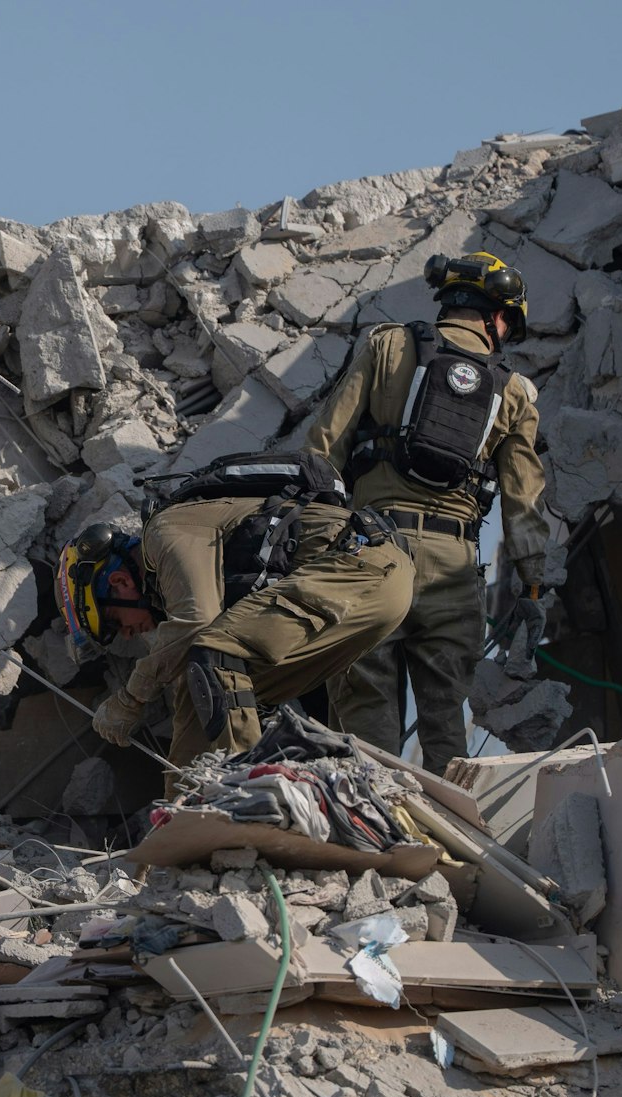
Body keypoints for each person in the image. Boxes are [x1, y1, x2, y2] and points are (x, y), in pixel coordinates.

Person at [303, 251, 552, 780]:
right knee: (445, 724)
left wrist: (320, 541)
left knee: (366, 709)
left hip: (373, 552)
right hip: (454, 567)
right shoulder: (515, 392)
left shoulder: (387, 344)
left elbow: (324, 447)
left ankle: (374, 834)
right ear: (496, 315)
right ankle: (447, 841)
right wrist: (532, 587)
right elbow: (523, 501)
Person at [54, 459, 415, 772]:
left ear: (119, 582)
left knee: (216, 654)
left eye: (116, 624)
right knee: (205, 690)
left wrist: (130, 699)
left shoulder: (166, 532)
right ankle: (188, 812)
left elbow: (198, 623)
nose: (128, 636)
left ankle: (239, 794)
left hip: (361, 567)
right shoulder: (167, 574)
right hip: (370, 587)